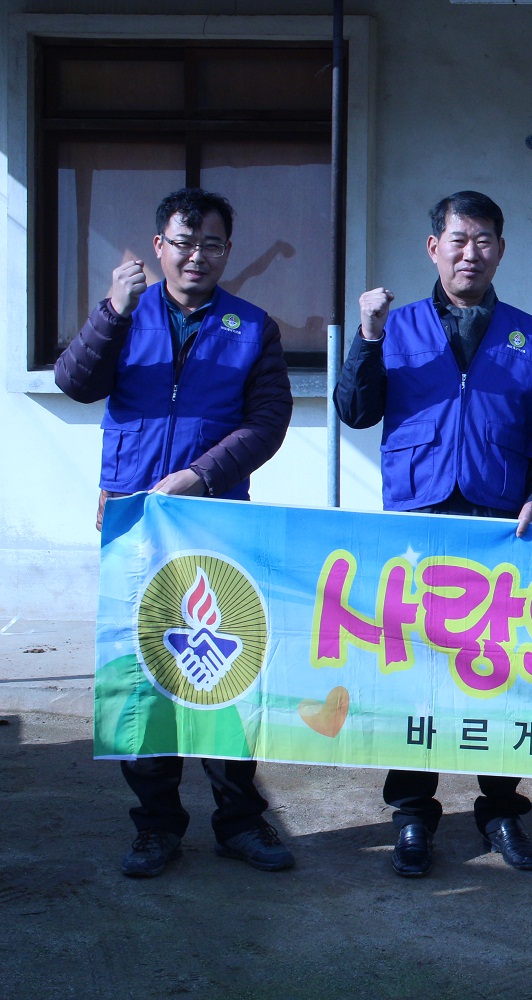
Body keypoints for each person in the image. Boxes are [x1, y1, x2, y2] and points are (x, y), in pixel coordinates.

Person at [54, 187, 294, 878]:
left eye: (212, 243)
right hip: (136, 526)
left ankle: (240, 823)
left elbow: (267, 422)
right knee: (142, 680)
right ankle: (156, 825)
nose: (197, 256)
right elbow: (75, 383)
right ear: (158, 246)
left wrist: (199, 476)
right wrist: (112, 311)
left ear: (227, 251)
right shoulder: (125, 314)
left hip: (216, 521)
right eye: (184, 243)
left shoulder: (253, 327)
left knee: (228, 677)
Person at [334, 190, 532, 878]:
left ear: (501, 249)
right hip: (418, 522)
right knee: (417, 673)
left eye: (485, 239)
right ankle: (411, 814)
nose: (472, 252)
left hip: (497, 524)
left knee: (500, 671)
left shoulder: (528, 334)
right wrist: (365, 339)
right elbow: (355, 411)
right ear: (434, 247)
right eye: (459, 239)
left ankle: (499, 809)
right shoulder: (393, 327)